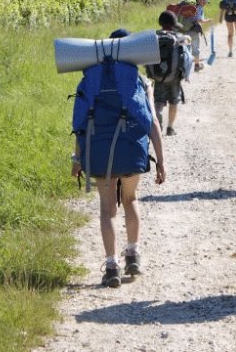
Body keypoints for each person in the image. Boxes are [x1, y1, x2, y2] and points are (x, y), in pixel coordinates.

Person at [71, 29, 166, 288]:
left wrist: (77, 158)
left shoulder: (90, 79)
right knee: (130, 198)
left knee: (107, 209)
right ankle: (133, 253)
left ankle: (111, 266)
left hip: (99, 150)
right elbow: (153, 121)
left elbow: (81, 121)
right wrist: (161, 159)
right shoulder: (140, 81)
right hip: (130, 148)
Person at [151, 11, 190, 136]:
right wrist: (185, 74)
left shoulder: (154, 37)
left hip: (158, 76)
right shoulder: (178, 37)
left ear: (160, 23)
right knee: (174, 102)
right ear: (174, 24)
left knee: (158, 102)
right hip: (174, 77)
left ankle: (157, 121)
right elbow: (187, 57)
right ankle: (170, 128)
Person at [188, 0, 211, 72]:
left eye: (205, 2)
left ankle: (184, 66)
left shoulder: (190, 7)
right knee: (195, 48)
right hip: (193, 31)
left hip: (184, 30)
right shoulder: (199, 8)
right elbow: (199, 20)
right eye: (204, 1)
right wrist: (207, 20)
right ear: (198, 0)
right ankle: (197, 65)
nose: (205, 3)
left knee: (186, 48)